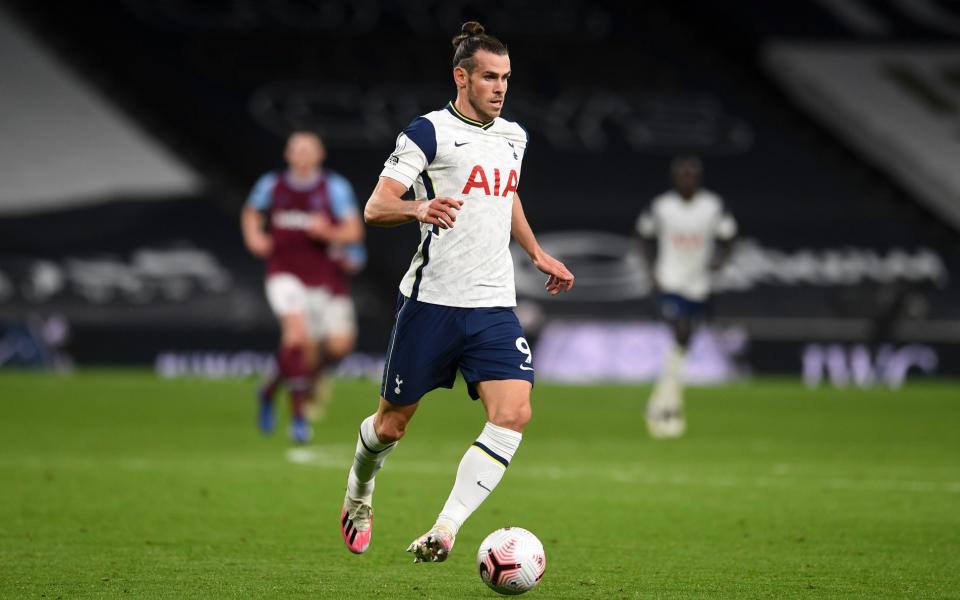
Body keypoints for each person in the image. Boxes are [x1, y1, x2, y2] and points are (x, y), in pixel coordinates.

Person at [337, 21, 574, 562]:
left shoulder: (514, 136)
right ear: (461, 77)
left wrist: (535, 253)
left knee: (514, 413)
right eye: (489, 77)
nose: (500, 87)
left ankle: (445, 529)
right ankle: (359, 492)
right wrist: (419, 206)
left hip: (493, 304)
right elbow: (376, 207)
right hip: (432, 304)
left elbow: (506, 193)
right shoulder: (428, 132)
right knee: (390, 426)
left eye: (507, 78)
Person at [241, 131, 365, 444]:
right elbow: (251, 212)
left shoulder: (333, 188)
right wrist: (254, 236)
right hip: (283, 274)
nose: (302, 156)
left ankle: (269, 389)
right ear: (287, 155)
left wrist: (328, 232)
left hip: (323, 279)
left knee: (336, 346)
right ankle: (299, 420)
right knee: (298, 338)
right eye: (296, 150)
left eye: (308, 150)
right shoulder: (272, 185)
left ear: (320, 154)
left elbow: (353, 232)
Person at [636, 156, 737, 438]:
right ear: (675, 178)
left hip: (699, 286)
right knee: (680, 334)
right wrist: (650, 270)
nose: (687, 180)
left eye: (691, 176)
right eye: (683, 176)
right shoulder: (662, 207)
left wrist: (721, 260)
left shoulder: (712, 206)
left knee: (683, 345)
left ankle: (663, 401)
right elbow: (643, 235)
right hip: (670, 281)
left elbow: (730, 236)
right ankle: (667, 406)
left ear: (698, 178)